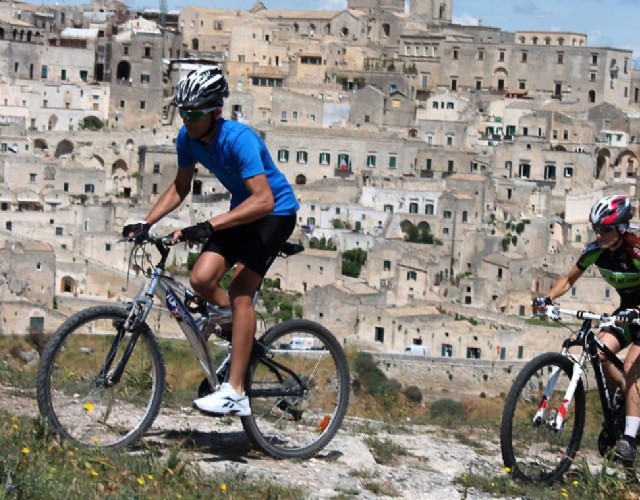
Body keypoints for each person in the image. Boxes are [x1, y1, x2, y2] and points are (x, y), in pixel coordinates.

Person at [122, 66, 299, 417]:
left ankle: (235, 392)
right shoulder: (187, 140)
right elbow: (180, 187)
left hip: (276, 214)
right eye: (183, 112)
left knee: (241, 291)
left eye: (194, 113)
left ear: (215, 112)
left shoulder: (239, 139)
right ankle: (238, 330)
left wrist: (208, 225)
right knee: (201, 279)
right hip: (242, 212)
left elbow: (264, 200)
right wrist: (146, 221)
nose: (186, 120)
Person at [532, 194, 640, 463]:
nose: (599, 234)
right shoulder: (595, 252)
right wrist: (548, 298)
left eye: (605, 229)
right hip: (627, 312)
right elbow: (569, 279)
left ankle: (629, 439)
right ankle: (628, 400)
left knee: (631, 368)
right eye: (596, 228)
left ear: (621, 228)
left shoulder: (636, 251)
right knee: (601, 352)